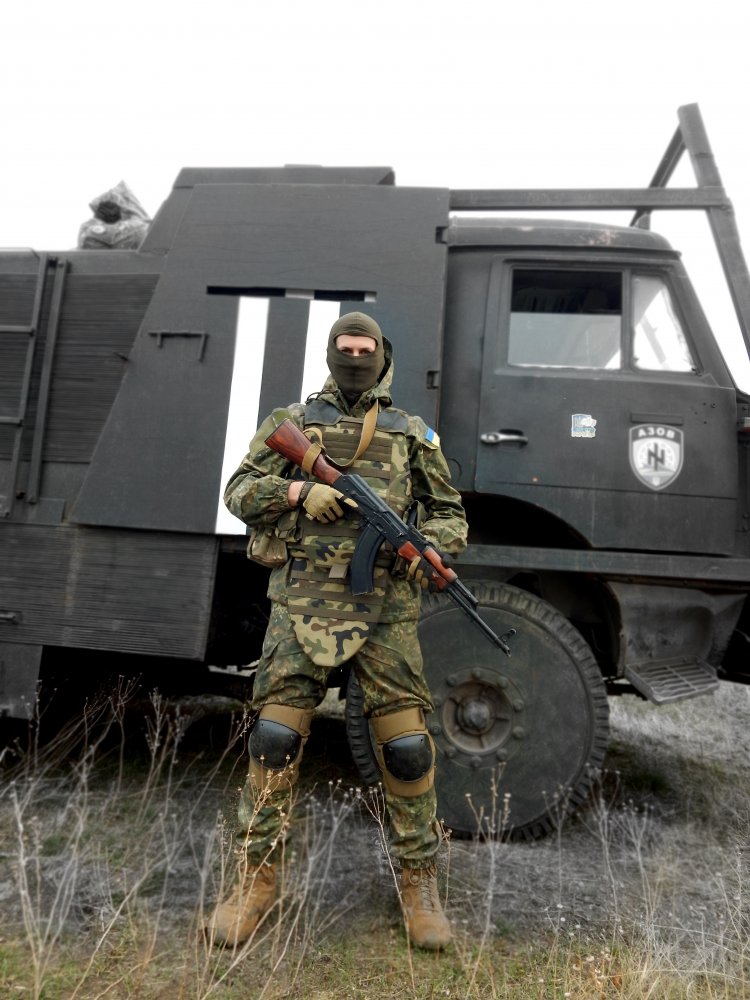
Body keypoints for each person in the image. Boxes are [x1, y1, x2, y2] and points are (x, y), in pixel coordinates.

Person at [208, 312, 468, 950]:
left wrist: (427, 549)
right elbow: (237, 491)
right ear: (330, 353)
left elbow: (449, 513)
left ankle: (419, 883)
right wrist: (297, 494)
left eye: (365, 348)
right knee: (274, 740)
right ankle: (256, 880)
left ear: (383, 354)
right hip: (301, 600)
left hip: (387, 608)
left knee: (407, 749)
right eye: (345, 349)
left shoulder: (413, 434)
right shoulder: (290, 423)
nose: (355, 358)